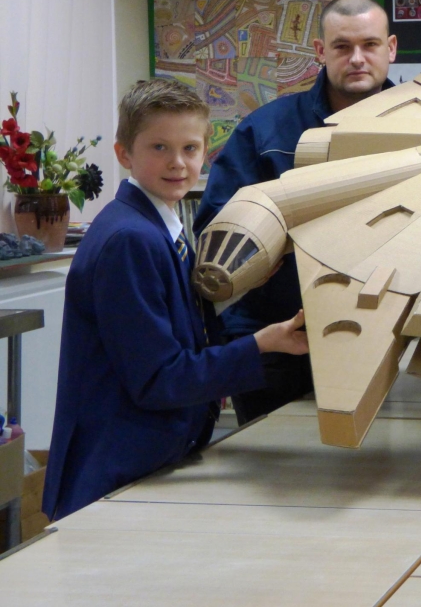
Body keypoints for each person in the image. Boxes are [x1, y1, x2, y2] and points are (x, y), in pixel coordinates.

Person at [42, 79, 309, 522]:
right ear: (124, 153)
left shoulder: (162, 226)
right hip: (115, 474)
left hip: (148, 463)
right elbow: (159, 379)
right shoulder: (130, 239)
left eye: (190, 148)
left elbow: (178, 332)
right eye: (159, 148)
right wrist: (261, 345)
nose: (178, 164)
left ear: (207, 151)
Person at [194, 0, 397, 425]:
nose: (357, 58)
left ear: (391, 49)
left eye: (370, 45)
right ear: (321, 52)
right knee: (275, 480)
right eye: (342, 47)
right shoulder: (265, 131)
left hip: (390, 338)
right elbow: (218, 229)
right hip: (281, 341)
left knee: (378, 474)